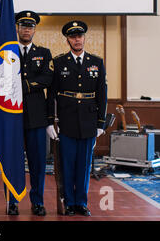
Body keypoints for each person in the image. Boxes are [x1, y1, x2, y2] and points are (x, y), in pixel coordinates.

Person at [47, 20, 107, 216]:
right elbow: (52, 94)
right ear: (68, 40)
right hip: (67, 121)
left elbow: (102, 94)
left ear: (84, 38)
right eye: (73, 36)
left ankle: (81, 202)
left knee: (84, 165)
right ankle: (70, 203)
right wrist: (50, 121)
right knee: (68, 164)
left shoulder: (96, 62)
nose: (77, 39)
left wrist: (101, 122)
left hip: (89, 122)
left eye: (79, 36)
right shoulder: (58, 62)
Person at [6, 11, 54, 216]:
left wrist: (23, 84)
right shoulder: (6, 52)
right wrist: (30, 85)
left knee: (37, 162)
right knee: (12, 162)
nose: (26, 29)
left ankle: (37, 201)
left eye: (30, 26)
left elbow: (46, 79)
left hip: (36, 117)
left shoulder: (44, 53)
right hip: (12, 115)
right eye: (23, 26)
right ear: (17, 28)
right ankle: (13, 202)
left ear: (34, 29)